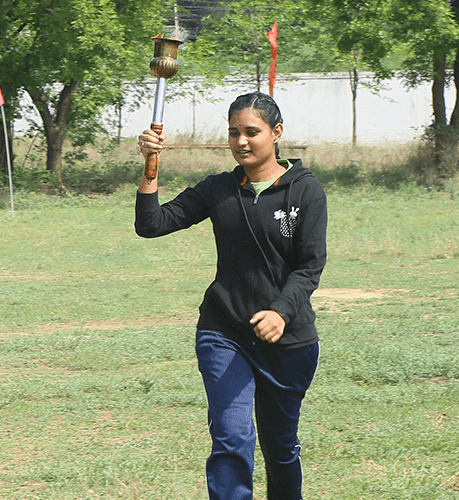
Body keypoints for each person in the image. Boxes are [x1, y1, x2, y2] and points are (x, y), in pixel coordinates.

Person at [135, 92, 326, 500]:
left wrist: (280, 312)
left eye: (251, 132)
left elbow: (310, 266)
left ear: (276, 133)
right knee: (232, 437)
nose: (241, 141)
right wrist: (150, 164)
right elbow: (151, 224)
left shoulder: (305, 191)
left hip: (288, 340)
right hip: (224, 333)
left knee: (280, 448)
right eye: (233, 132)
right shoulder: (218, 189)